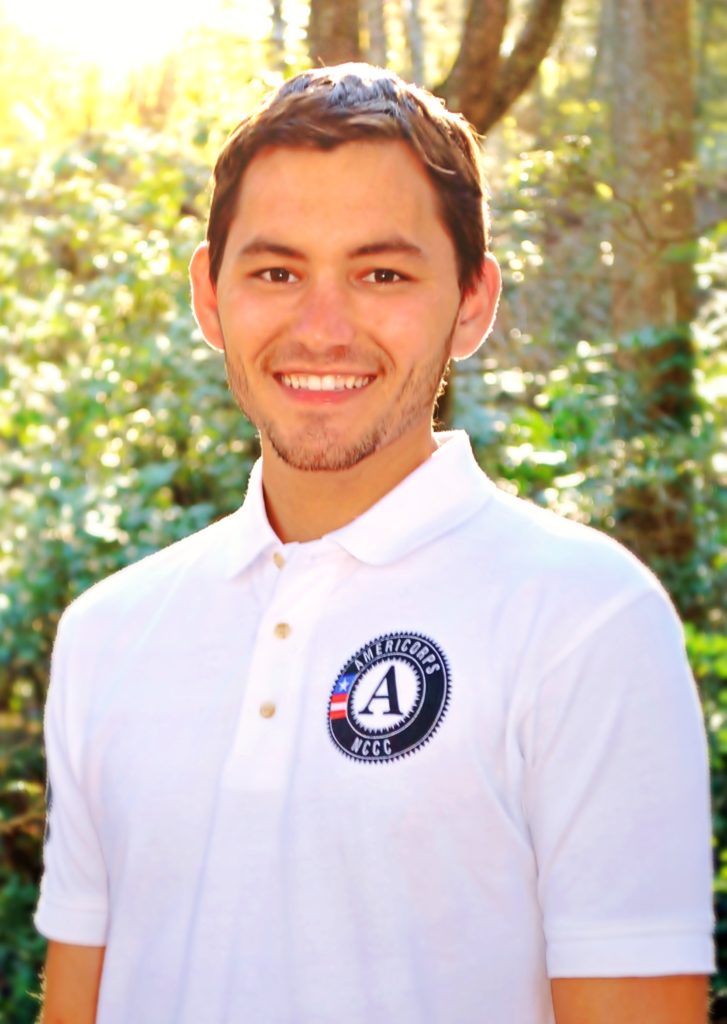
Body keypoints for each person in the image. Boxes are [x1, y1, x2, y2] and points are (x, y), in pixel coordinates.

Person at [36, 63, 713, 1024]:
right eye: (276, 272)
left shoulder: (586, 620)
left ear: (472, 302)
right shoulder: (107, 633)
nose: (322, 328)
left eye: (381, 273)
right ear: (210, 297)